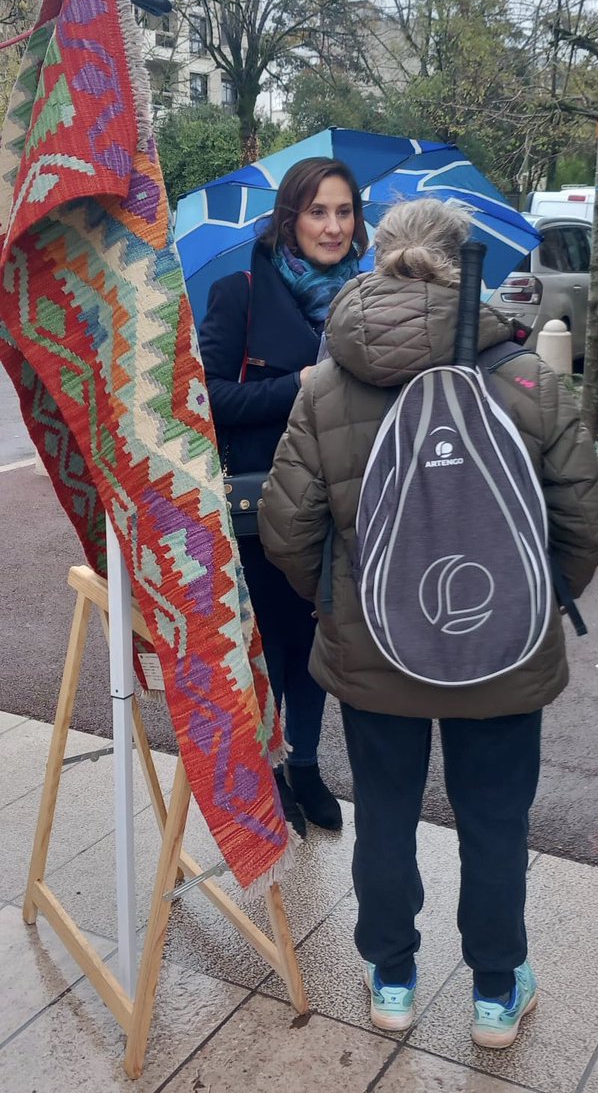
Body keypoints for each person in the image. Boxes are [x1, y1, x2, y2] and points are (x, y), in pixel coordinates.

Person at [257, 198, 598, 1046]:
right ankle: (494, 993)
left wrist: (344, 604)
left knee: (383, 816)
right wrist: (528, 600)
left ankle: (391, 979)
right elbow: (589, 520)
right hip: (503, 649)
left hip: (372, 652)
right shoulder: (525, 379)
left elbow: (285, 529)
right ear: (463, 267)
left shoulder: (324, 386)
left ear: (377, 257)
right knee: (494, 821)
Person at [199, 156, 369, 838]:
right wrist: (297, 383)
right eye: (317, 211)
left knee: (319, 643)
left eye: (344, 211)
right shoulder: (239, 291)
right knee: (270, 644)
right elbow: (208, 399)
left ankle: (305, 764)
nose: (332, 227)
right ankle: (267, 765)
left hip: (342, 502)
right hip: (266, 506)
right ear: (290, 218)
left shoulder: (365, 298)